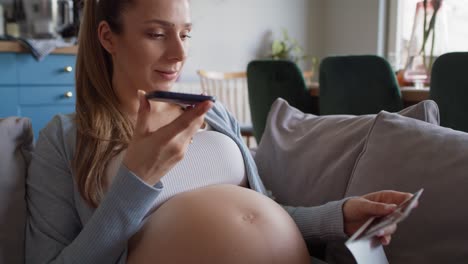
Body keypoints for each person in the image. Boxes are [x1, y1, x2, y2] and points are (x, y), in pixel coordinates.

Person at [25, 0, 413, 263]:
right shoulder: (64, 139)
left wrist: (338, 217)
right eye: (157, 34)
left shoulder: (210, 113)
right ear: (108, 36)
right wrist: (136, 180)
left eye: (186, 33)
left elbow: (270, 210)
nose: (179, 53)